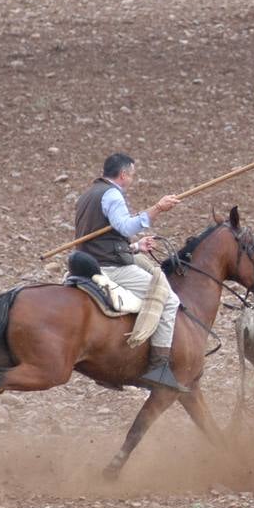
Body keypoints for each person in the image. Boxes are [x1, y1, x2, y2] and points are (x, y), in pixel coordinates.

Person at [73, 153, 189, 393]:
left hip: (90, 262)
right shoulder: (112, 194)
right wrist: (158, 208)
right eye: (132, 175)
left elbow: (103, 236)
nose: (132, 180)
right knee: (168, 299)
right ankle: (158, 367)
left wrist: (135, 247)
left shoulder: (87, 195)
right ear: (123, 174)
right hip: (110, 268)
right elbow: (125, 226)